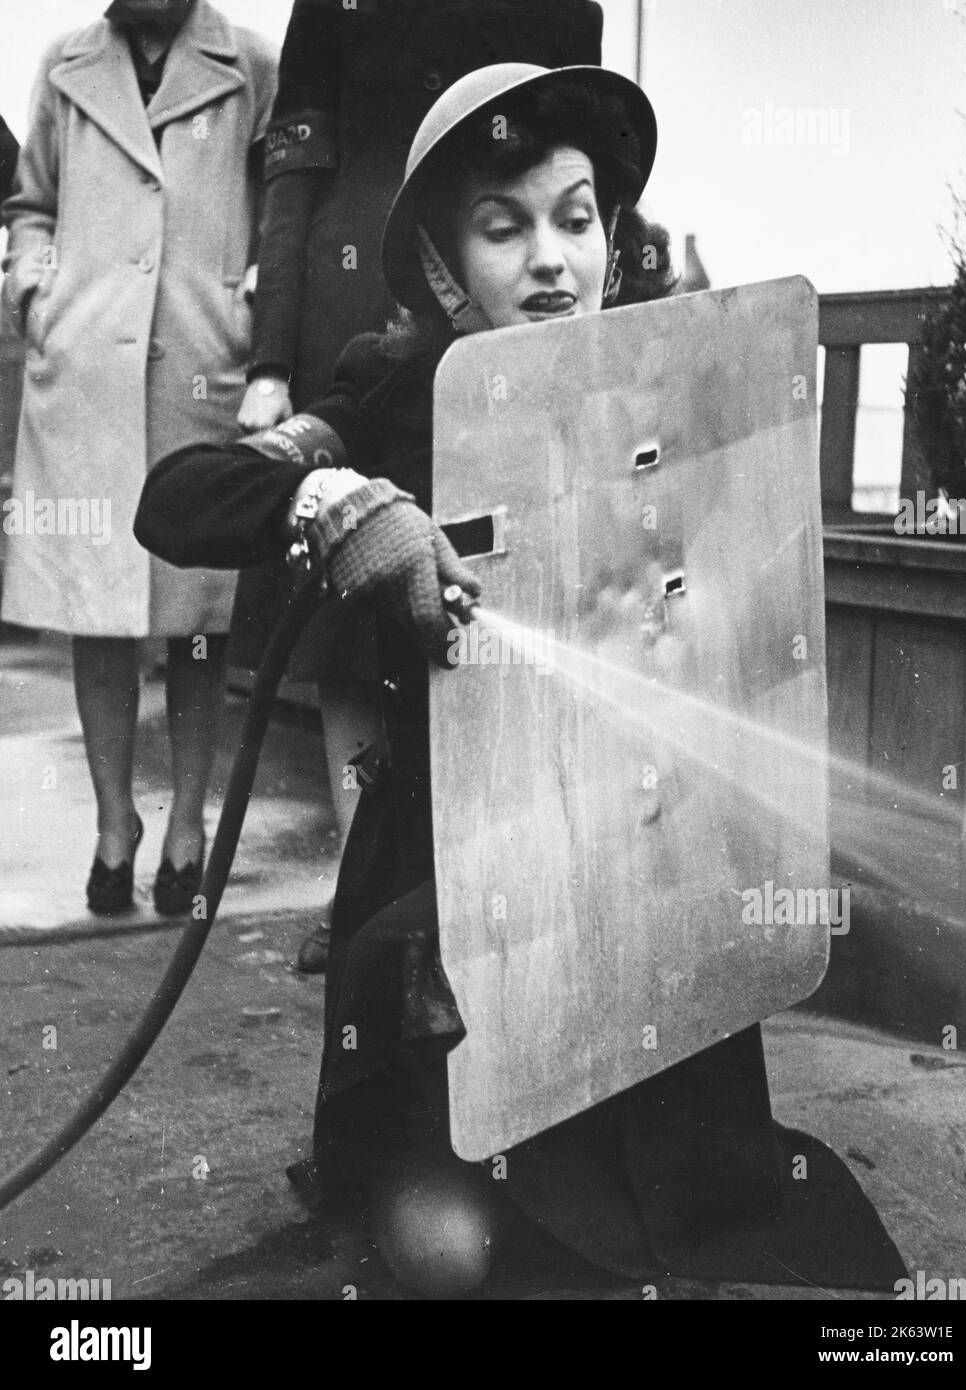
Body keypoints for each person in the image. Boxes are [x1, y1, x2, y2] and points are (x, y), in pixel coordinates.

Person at [135, 64, 905, 1298]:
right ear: (444, 266)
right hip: (450, 899)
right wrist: (333, 499)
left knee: (702, 1222)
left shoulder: (655, 383)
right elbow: (172, 499)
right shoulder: (391, 391)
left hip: (634, 872)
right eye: (505, 227)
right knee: (449, 1257)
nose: (552, 258)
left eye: (576, 215)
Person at [230, 0, 605, 973]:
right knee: (347, 620)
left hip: (505, 305)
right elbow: (291, 179)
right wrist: (272, 358)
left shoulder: (568, 6)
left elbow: (580, 181)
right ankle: (369, 894)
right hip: (354, 300)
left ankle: (508, 882)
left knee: (495, 583)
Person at [1, 1, 276, 915]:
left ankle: (188, 826)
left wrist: (253, 299)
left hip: (199, 365)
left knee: (199, 607)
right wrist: (33, 281)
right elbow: (31, 202)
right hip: (83, 368)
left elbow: (281, 201)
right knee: (95, 605)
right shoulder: (64, 64)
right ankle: (114, 827)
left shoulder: (249, 64)